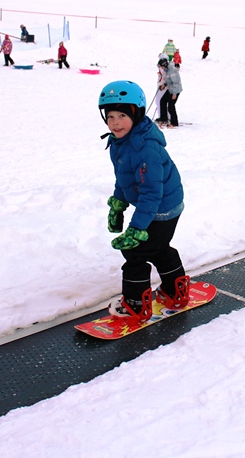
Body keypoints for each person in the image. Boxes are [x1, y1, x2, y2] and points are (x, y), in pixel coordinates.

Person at [98, 80, 189, 322]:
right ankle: (175, 292)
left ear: (136, 114)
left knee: (134, 252)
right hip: (161, 204)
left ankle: (136, 304)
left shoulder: (145, 148)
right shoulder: (122, 142)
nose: (115, 123)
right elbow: (125, 179)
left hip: (161, 207)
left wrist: (137, 228)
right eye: (110, 117)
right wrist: (118, 205)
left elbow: (151, 192)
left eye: (122, 116)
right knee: (158, 248)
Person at [159, 59, 183, 127]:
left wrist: (174, 94)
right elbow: (170, 80)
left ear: (165, 65)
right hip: (170, 89)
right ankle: (163, 118)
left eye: (162, 66)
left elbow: (176, 82)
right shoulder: (168, 70)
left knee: (171, 106)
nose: (162, 68)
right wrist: (165, 85)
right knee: (162, 101)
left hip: (175, 90)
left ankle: (174, 123)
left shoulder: (172, 70)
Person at [153, 54, 169, 123]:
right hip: (161, 86)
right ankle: (162, 116)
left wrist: (162, 85)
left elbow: (165, 78)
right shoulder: (161, 68)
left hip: (164, 88)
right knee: (158, 101)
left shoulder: (165, 69)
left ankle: (165, 117)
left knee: (161, 102)